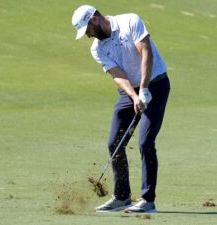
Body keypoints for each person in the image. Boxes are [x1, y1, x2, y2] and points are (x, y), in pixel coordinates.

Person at [72, 5, 170, 213]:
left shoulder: (130, 21)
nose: (88, 36)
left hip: (156, 83)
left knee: (145, 141)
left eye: (87, 30)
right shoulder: (96, 48)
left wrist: (144, 90)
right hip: (130, 91)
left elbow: (146, 54)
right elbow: (117, 74)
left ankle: (148, 200)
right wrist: (135, 96)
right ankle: (122, 196)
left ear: (94, 20)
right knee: (114, 142)